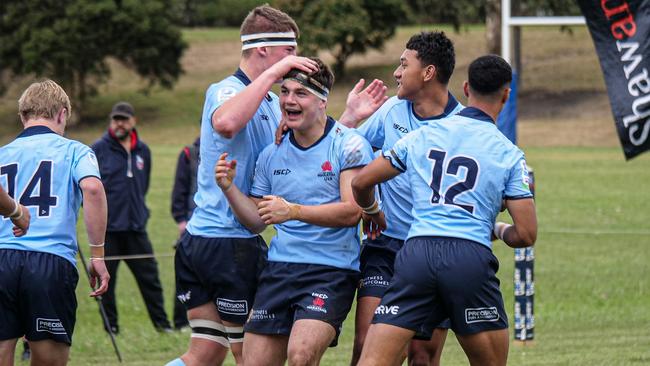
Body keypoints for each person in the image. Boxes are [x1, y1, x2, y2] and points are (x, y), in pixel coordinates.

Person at [167, 5, 385, 366]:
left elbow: (316, 147)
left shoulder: (271, 104)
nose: (294, 60)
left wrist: (346, 119)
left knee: (204, 353)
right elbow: (226, 124)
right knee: (243, 356)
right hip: (229, 241)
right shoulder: (229, 91)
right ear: (264, 50)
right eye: (290, 53)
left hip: (248, 243)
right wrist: (275, 76)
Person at [352, 55, 537, 366]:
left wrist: (372, 209)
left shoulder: (422, 136)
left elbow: (361, 182)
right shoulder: (509, 155)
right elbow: (526, 234)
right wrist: (498, 229)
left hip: (417, 255)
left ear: (466, 88)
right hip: (468, 258)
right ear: (507, 95)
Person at [215, 58, 374, 366]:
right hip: (279, 270)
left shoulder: (349, 145)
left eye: (300, 93)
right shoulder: (271, 155)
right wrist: (229, 189)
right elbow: (255, 223)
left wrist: (294, 211)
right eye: (285, 92)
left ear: (322, 100)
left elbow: (352, 212)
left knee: (300, 356)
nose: (288, 100)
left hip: (331, 271)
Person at [340, 31, 463, 366]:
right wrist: (349, 118)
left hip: (435, 250)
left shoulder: (462, 126)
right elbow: (346, 149)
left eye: (403, 64)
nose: (396, 72)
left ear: (428, 73)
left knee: (423, 355)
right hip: (385, 245)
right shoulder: (392, 110)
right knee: (366, 343)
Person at [0, 79, 110, 366]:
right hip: (49, 262)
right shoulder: (76, 151)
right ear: (62, 114)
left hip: (1, 259)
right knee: (49, 360)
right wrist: (97, 253)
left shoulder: (2, 154)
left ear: (23, 116)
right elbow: (93, 189)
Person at [91, 101, 172, 334]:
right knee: (107, 282)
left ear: (133, 121)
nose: (119, 123)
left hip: (136, 227)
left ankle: (162, 325)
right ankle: (111, 328)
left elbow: (143, 184)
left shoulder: (143, 150)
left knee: (151, 279)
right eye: (115, 119)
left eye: (124, 119)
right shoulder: (98, 149)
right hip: (109, 230)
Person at [170, 136, 200, 330]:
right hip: (191, 224)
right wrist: (181, 220)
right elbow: (179, 189)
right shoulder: (190, 153)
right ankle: (181, 321)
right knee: (185, 274)